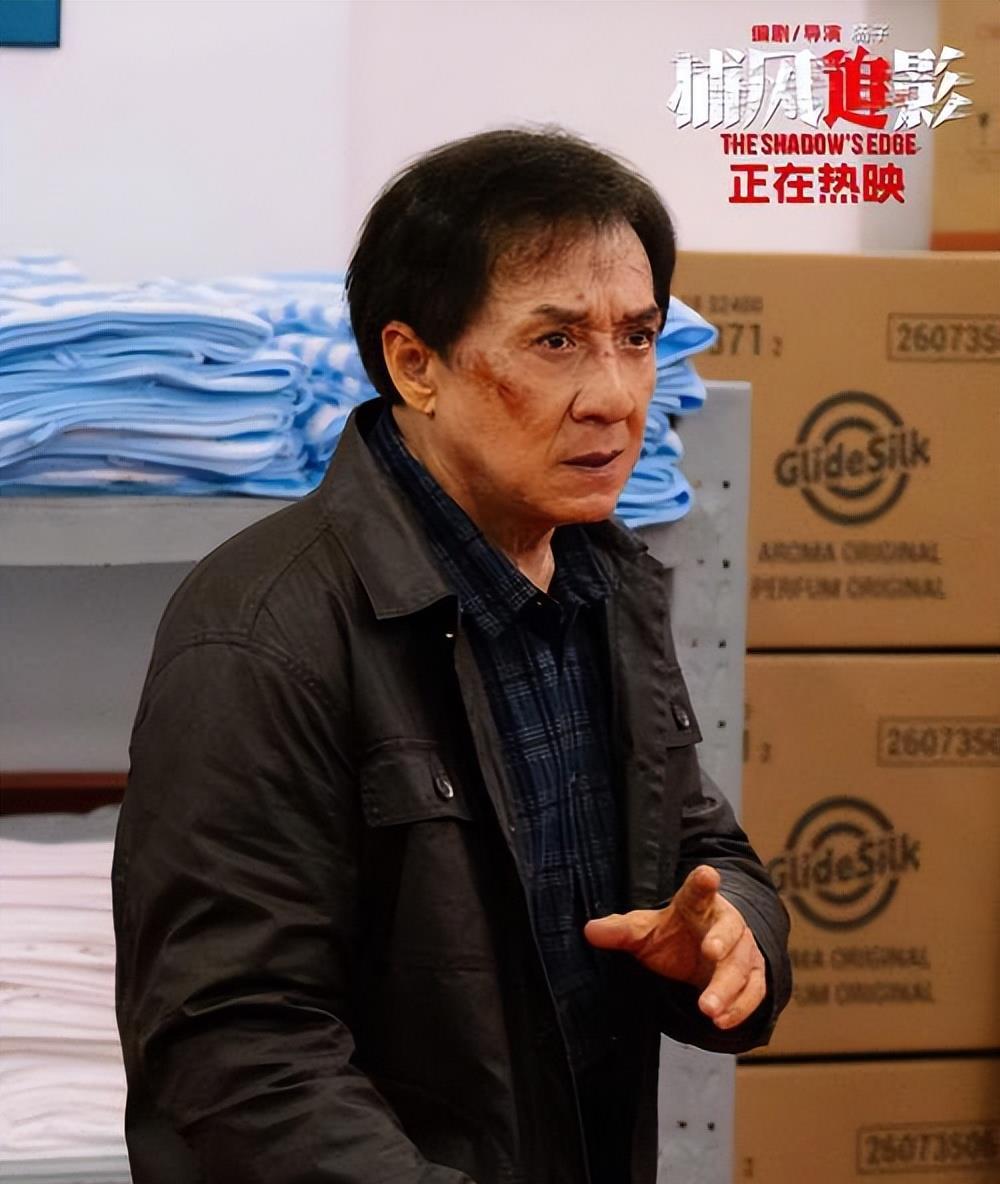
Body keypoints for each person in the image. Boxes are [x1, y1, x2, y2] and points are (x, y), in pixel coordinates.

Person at [112, 125, 791, 1184]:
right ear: (414, 363)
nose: (616, 395)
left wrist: (732, 934)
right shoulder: (259, 632)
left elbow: (703, 848)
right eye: (556, 342)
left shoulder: (604, 583)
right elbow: (234, 1051)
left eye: (638, 337)